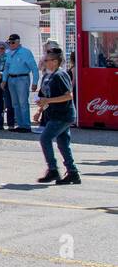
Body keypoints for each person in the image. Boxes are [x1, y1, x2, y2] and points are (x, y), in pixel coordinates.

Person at [35, 46, 80, 185]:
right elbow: (44, 97)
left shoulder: (60, 75)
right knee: (63, 144)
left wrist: (48, 101)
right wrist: (39, 110)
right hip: (53, 114)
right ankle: (73, 173)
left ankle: (53, 169)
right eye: (44, 60)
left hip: (63, 115)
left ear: (55, 61)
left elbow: (68, 96)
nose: (44, 62)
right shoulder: (47, 76)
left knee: (45, 138)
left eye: (47, 60)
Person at [2, 33, 38, 133]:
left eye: (12, 42)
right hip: (11, 79)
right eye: (9, 43)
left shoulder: (26, 52)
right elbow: (6, 67)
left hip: (22, 78)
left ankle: (26, 125)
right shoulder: (9, 53)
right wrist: (4, 80)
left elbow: (34, 68)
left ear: (18, 42)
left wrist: (35, 82)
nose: (10, 44)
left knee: (23, 103)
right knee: (15, 103)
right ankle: (20, 124)